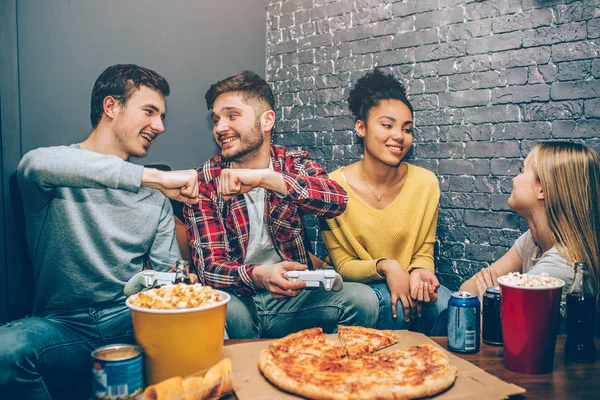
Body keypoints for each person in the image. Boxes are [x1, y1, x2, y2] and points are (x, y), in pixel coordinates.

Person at [0, 64, 199, 400]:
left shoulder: (155, 199)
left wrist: (181, 285)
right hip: (62, 326)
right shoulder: (54, 175)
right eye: (149, 112)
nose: (160, 126)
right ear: (111, 107)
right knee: (7, 351)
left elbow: (168, 278)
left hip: (132, 318)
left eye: (162, 116)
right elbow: (33, 165)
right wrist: (154, 177)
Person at [183, 71, 379, 338]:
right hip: (240, 300)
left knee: (365, 300)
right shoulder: (205, 180)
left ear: (267, 120)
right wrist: (260, 275)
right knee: (210, 309)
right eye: (216, 119)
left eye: (232, 116)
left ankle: (320, 369)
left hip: (294, 297)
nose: (220, 128)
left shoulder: (291, 163)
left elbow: (336, 199)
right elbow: (210, 267)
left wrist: (269, 179)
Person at [321, 69, 450, 335]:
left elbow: (424, 253)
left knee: (450, 307)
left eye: (407, 129)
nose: (399, 136)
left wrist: (421, 273)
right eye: (387, 125)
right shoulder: (332, 188)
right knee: (394, 310)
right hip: (360, 289)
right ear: (361, 128)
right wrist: (387, 266)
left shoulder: (425, 184)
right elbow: (342, 265)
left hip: (408, 284)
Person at [460, 141, 600, 333]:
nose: (513, 179)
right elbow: (467, 289)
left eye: (522, 170)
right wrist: (490, 304)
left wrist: (489, 305)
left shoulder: (560, 268)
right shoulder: (532, 240)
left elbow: (506, 334)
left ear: (542, 190)